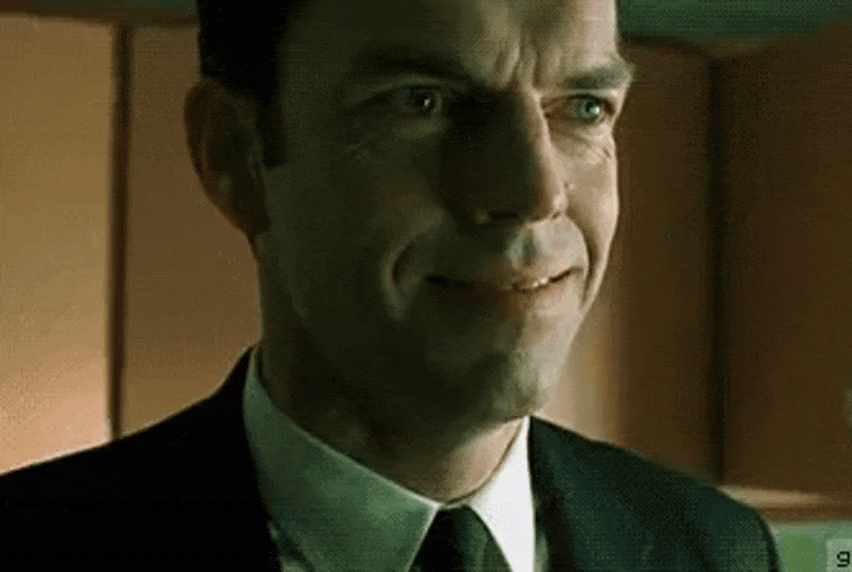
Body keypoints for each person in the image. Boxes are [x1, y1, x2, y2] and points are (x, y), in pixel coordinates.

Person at [1, 0, 782, 569]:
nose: (537, 190)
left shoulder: (716, 550)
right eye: (424, 101)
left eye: (583, 108)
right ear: (236, 156)